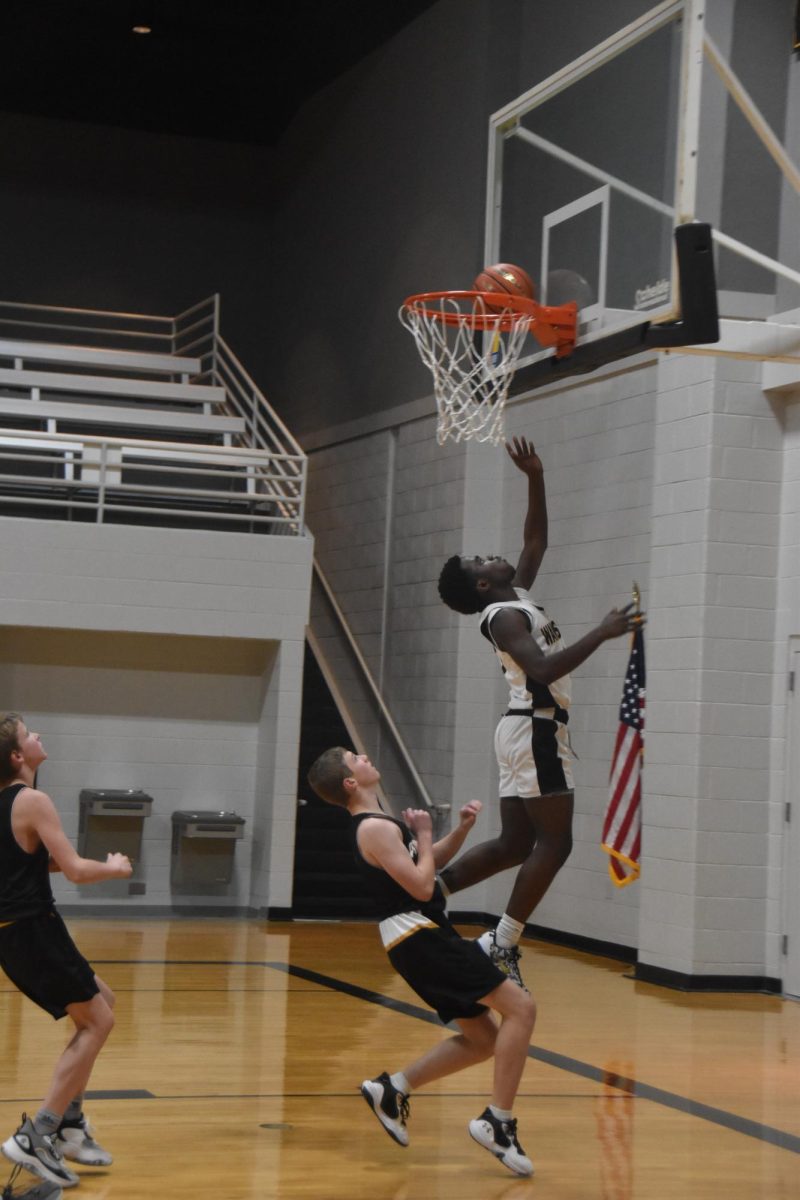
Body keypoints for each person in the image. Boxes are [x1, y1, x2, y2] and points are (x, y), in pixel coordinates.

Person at [436, 436, 644, 989]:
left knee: (514, 845)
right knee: (557, 842)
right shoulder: (504, 616)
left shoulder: (515, 594)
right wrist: (601, 633)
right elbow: (544, 671)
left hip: (524, 729)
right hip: (536, 729)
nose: (491, 553)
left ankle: (428, 895)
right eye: (480, 559)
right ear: (484, 582)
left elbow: (536, 539)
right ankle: (500, 943)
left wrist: (535, 475)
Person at [307, 747, 537, 1177]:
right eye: (353, 757)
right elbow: (420, 885)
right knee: (521, 1008)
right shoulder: (372, 828)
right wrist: (426, 834)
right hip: (418, 935)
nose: (363, 755)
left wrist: (460, 830)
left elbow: (424, 870)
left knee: (484, 1039)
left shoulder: (380, 823)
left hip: (420, 935)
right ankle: (497, 1122)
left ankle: (392, 1090)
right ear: (350, 783)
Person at [0, 713, 133, 1191]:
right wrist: (115, 869)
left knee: (104, 1003)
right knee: (99, 1022)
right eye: (28, 734)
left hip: (17, 934)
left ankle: (71, 1126)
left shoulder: (6, 804)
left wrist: (52, 865)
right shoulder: (32, 799)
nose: (38, 736)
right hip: (34, 930)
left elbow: (36, 863)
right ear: (18, 756)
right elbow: (75, 870)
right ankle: (39, 1133)